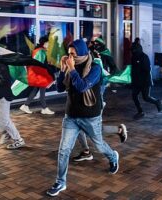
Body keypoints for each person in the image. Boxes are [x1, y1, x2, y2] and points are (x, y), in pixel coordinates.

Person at [47, 39, 120, 197]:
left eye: (73, 54)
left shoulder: (94, 68)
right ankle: (61, 182)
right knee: (64, 150)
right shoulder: (69, 67)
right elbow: (60, 88)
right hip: (71, 115)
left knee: (99, 145)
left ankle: (113, 156)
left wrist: (71, 69)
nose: (70, 56)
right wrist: (62, 69)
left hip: (90, 116)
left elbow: (82, 87)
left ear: (81, 53)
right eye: (68, 53)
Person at [20, 36, 55, 115]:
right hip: (40, 74)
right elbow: (40, 64)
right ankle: (44, 108)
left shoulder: (38, 50)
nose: (49, 44)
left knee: (36, 90)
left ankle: (26, 105)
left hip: (37, 73)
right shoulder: (41, 51)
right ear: (44, 43)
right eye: (48, 43)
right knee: (42, 91)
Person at [131, 41, 162, 119]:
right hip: (136, 82)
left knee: (146, 97)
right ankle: (140, 111)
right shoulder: (133, 57)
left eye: (134, 50)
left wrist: (139, 72)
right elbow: (133, 69)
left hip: (145, 81)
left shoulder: (144, 57)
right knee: (134, 95)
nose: (133, 51)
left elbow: (147, 69)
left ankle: (157, 102)